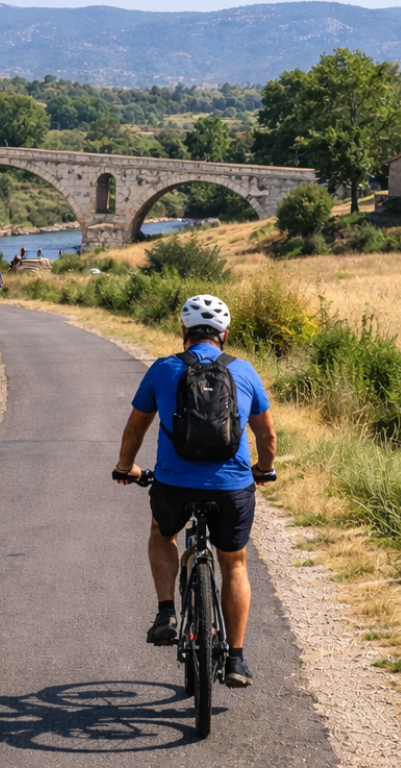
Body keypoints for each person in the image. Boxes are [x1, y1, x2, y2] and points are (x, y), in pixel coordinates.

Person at [113, 294, 276, 689]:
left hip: (173, 484)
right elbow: (266, 435)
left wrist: (124, 468)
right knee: (234, 563)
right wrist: (262, 471)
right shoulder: (245, 371)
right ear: (225, 334)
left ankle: (167, 612)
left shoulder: (164, 369)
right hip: (232, 488)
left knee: (162, 533)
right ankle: (235, 659)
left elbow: (136, 428)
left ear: (183, 331)